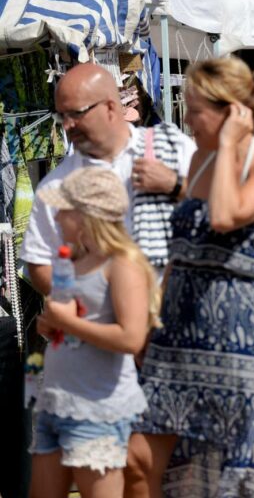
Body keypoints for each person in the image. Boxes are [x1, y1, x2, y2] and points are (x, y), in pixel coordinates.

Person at [124, 57, 254, 497]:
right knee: (139, 458)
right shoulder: (201, 160)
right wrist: (152, 321)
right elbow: (182, 250)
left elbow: (225, 216)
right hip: (179, 337)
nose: (185, 117)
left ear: (231, 112)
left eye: (195, 108)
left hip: (239, 347)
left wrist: (228, 146)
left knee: (234, 476)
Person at [29, 167, 159, 498]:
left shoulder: (121, 265)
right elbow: (79, 328)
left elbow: (131, 339)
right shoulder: (73, 262)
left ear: (89, 214)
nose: (56, 217)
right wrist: (53, 326)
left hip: (96, 410)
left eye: (65, 209)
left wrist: (68, 323)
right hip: (57, 401)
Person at [21, 62, 195, 292]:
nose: (68, 125)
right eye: (61, 115)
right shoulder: (57, 185)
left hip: (179, 311)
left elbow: (223, 209)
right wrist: (84, 293)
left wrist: (175, 185)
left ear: (111, 108)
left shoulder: (171, 147)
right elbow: (39, 263)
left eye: (76, 113)